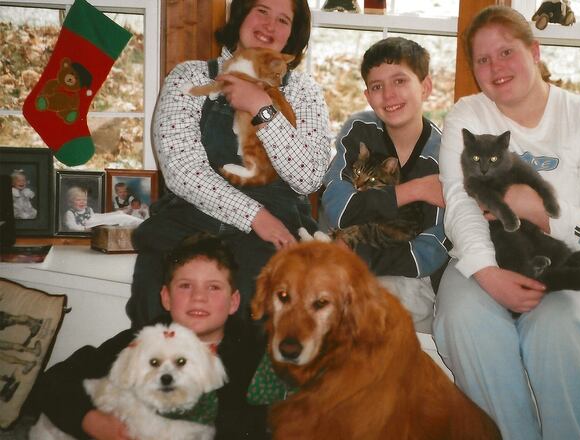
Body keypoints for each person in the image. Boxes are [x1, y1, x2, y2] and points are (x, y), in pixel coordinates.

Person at [434, 6, 580, 440]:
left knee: (559, 330)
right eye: (483, 60)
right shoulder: (468, 116)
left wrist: (542, 210)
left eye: (506, 52)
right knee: (461, 316)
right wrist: (487, 274)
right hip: (488, 257)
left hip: (571, 263)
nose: (495, 67)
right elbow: (460, 202)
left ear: (536, 51)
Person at [128, 0, 333, 327]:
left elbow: (308, 177)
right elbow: (182, 170)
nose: (269, 25)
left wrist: (261, 106)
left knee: (260, 317)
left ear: (292, 34)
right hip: (189, 220)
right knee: (156, 310)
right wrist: (254, 216)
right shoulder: (190, 76)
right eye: (261, 11)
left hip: (277, 231)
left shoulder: (304, 91)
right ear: (241, 15)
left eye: (283, 19)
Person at [31, 234, 273, 439]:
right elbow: (54, 380)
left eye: (213, 287)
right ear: (166, 298)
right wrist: (91, 420)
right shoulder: (140, 340)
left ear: (234, 302)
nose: (199, 297)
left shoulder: (255, 353)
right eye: (186, 286)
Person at [321, 37, 448, 323]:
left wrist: (356, 253)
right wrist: (413, 190)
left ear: (425, 87)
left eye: (400, 81)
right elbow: (339, 209)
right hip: (339, 261)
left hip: (409, 279)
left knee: (369, 311)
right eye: (377, 86)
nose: (389, 95)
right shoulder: (360, 131)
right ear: (368, 96)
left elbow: (427, 253)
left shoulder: (443, 154)